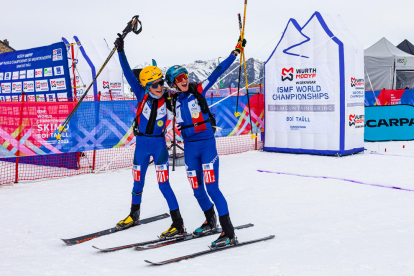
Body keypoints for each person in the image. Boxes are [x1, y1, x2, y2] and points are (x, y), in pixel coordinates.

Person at [165, 38, 246, 247]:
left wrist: (235, 52)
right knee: (197, 189)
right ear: (173, 84)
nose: (183, 80)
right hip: (190, 149)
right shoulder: (173, 100)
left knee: (212, 188)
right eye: (178, 79)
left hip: (207, 145)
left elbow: (218, 71)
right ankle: (211, 221)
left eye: (184, 76)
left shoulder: (198, 89)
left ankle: (229, 232)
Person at [114, 34, 185, 239]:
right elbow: (127, 72)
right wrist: (121, 50)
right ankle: (133, 215)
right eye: (154, 85)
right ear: (146, 86)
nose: (159, 87)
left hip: (159, 147)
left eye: (161, 83)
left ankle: (178, 223)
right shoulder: (141, 93)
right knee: (137, 183)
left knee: (164, 185)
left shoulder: (169, 98)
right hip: (141, 147)